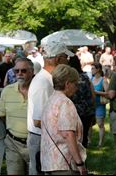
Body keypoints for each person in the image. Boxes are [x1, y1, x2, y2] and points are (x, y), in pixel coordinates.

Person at [27, 40, 74, 175]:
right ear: (59, 59)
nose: (68, 61)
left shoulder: (49, 79)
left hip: (47, 138)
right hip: (41, 139)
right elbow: (38, 121)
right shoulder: (44, 82)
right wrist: (66, 130)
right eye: (66, 57)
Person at [41, 64, 87, 175]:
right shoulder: (65, 103)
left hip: (49, 162)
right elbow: (68, 134)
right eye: (75, 84)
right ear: (67, 84)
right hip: (65, 163)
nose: (76, 88)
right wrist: (79, 163)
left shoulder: (50, 100)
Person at [0, 58, 34, 175]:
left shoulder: (39, 90)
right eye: (16, 71)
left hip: (35, 143)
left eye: (23, 70)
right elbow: (2, 116)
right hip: (13, 143)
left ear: (32, 71)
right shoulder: (7, 91)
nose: (19, 74)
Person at [69, 56, 95, 148]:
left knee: (74, 137)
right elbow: (93, 94)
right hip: (87, 111)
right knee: (84, 135)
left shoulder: (69, 79)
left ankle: (77, 158)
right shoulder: (85, 77)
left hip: (74, 111)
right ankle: (83, 156)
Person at [91, 62, 109, 148]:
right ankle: (89, 141)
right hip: (91, 105)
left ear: (98, 69)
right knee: (90, 124)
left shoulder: (103, 80)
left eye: (93, 68)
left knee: (100, 124)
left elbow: (108, 93)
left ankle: (100, 143)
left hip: (100, 105)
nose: (91, 70)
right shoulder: (91, 79)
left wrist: (96, 92)